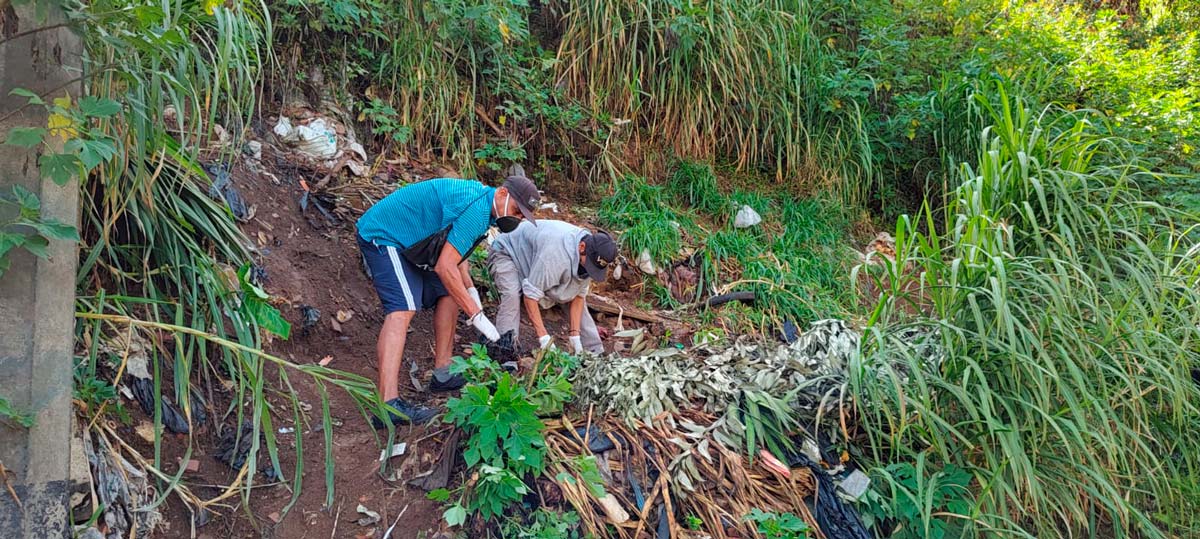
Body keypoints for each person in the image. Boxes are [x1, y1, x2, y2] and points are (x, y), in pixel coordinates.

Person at [356, 173, 540, 427]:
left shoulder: (485, 209)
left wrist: (470, 292)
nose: (517, 219)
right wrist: (478, 317)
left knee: (450, 294)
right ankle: (387, 405)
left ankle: (442, 373)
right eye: (517, 211)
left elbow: (457, 257)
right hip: (384, 235)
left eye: (522, 217)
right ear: (502, 193)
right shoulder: (477, 209)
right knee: (403, 309)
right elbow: (445, 267)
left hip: (415, 243)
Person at [486, 220, 617, 354]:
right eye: (590, 264)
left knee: (573, 294)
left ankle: (594, 352)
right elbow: (530, 297)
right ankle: (506, 351)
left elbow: (578, 296)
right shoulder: (555, 256)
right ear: (582, 247)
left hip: (536, 260)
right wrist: (544, 338)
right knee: (512, 295)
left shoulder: (590, 257)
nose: (591, 269)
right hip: (507, 252)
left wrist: (575, 336)